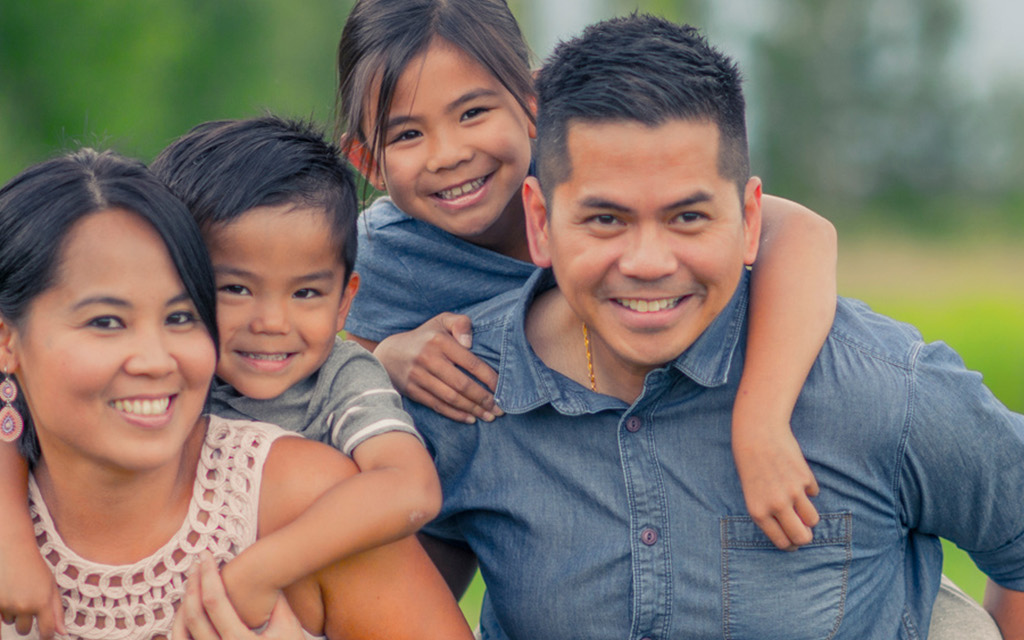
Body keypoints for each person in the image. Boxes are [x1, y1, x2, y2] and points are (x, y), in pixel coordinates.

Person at [410, 15, 1024, 639]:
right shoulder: (461, 394)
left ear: (749, 220)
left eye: (688, 217)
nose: (648, 262)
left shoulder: (882, 388)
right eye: (605, 219)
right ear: (539, 221)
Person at [0, 148, 473, 639]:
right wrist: (8, 543)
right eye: (105, 322)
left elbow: (407, 487)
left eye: (180, 317)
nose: (156, 361)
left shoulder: (311, 506)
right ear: (1, 337)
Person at [334, 0, 838, 556]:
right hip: (535, 490)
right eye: (407, 135)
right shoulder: (378, 258)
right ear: (368, 161)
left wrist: (761, 421)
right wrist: (384, 361)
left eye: (472, 113)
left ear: (531, 106)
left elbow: (801, 233)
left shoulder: (575, 170)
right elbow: (334, 387)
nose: (449, 154)